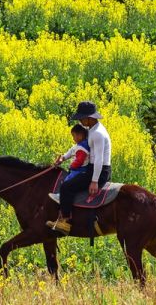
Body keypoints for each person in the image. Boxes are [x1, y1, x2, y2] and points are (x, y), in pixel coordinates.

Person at [46, 101, 112, 235]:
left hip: (100, 171)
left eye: (82, 118)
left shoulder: (97, 134)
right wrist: (63, 158)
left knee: (66, 187)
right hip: (92, 168)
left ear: (90, 117)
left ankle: (65, 221)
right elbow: (78, 147)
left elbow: (99, 159)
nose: (80, 121)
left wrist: (94, 181)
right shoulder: (91, 130)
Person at [50, 124, 91, 197]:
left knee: (67, 182)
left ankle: (61, 196)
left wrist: (71, 166)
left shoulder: (82, 148)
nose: (73, 138)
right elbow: (68, 153)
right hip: (77, 169)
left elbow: (79, 161)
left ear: (80, 136)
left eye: (74, 136)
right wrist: (62, 158)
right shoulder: (78, 145)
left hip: (79, 171)